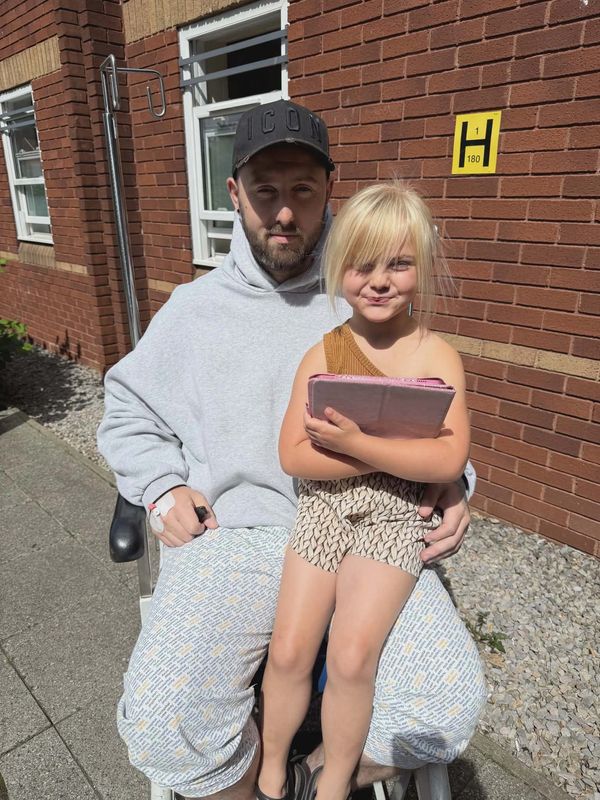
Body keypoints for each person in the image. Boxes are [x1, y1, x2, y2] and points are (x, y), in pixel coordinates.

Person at [97, 100, 486, 800]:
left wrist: (456, 483)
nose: (283, 212)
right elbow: (127, 407)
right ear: (235, 193)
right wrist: (160, 485)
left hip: (376, 528)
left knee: (445, 703)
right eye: (266, 190)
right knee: (162, 722)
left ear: (328, 191)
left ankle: (311, 782)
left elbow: (432, 409)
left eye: (302, 191)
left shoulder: (366, 292)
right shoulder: (193, 312)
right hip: (236, 534)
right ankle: (252, 787)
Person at [257, 181, 471, 800]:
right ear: (338, 268)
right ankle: (272, 776)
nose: (379, 281)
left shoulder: (436, 355)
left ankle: (332, 787)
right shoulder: (324, 352)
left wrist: (355, 444)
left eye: (398, 264)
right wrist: (387, 454)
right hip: (324, 511)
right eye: (361, 264)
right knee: (292, 649)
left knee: (352, 655)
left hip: (395, 519)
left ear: (422, 269)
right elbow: (293, 455)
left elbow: (449, 455)